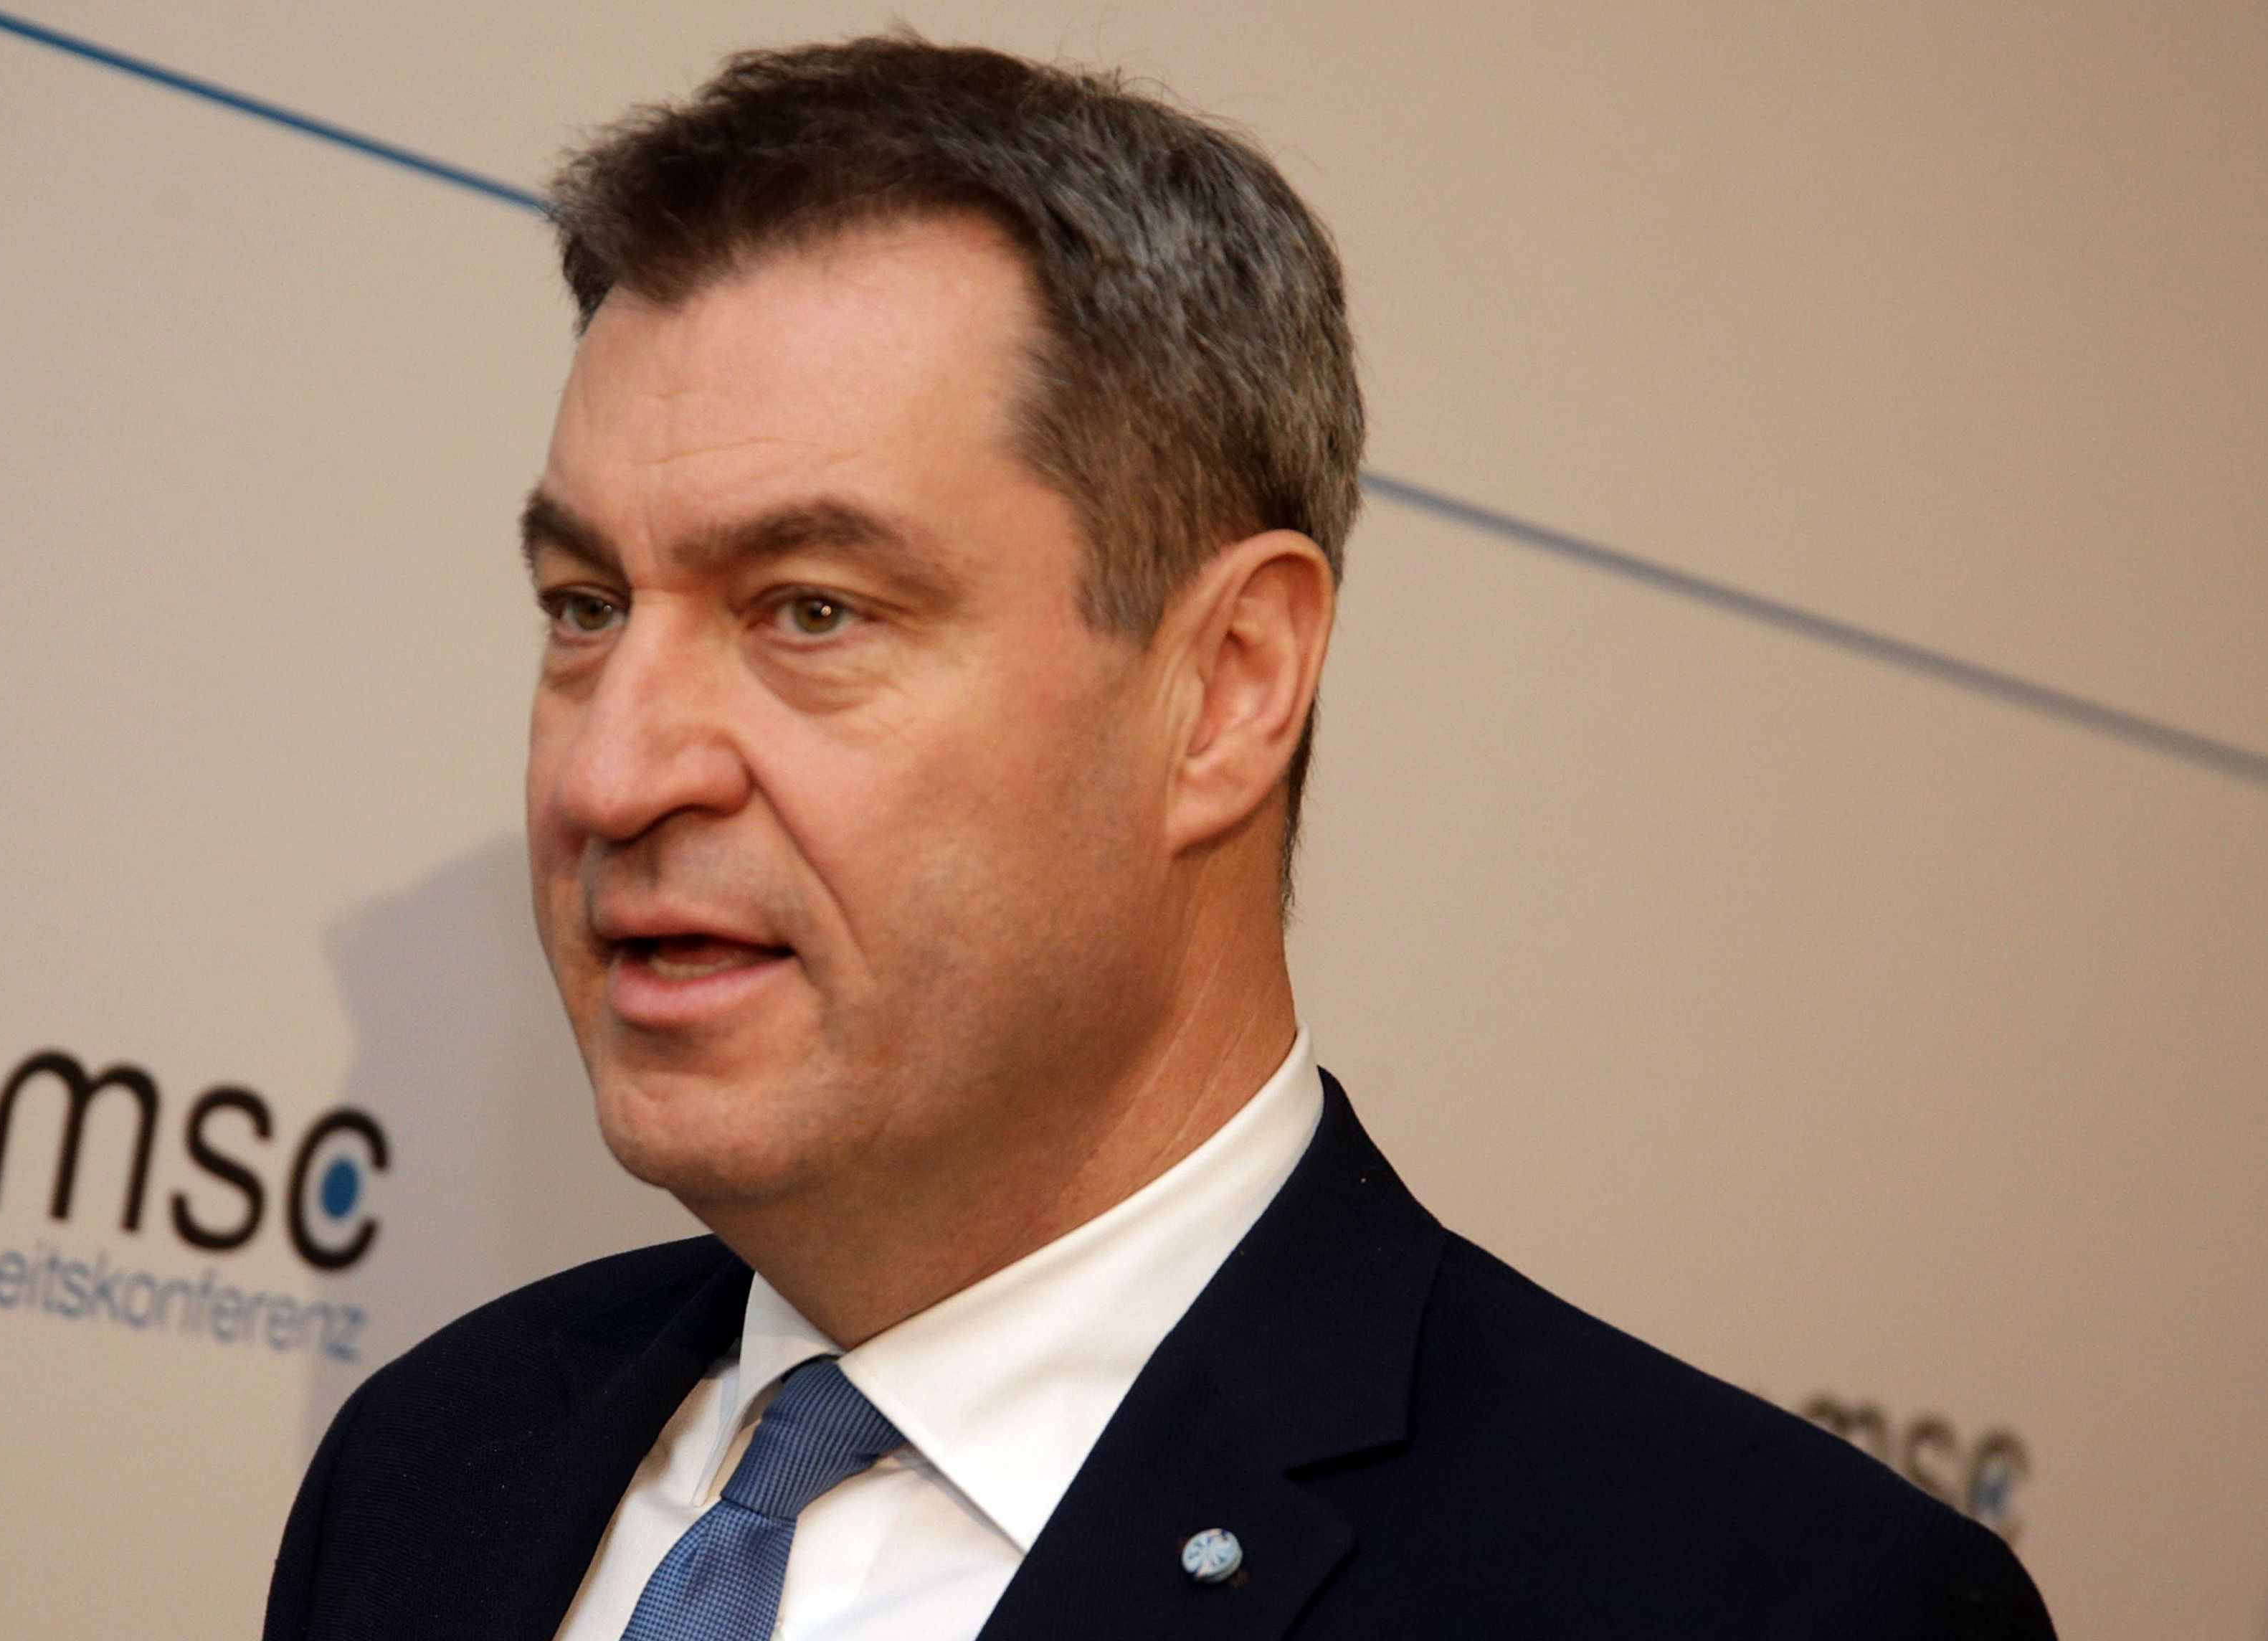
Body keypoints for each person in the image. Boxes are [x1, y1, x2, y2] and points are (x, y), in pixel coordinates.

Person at [265, 35, 2052, 1641]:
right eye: (585, 606)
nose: (612, 773)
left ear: (1226, 688)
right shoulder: (436, 1468)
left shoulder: (1757, 1604)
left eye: (810, 610)